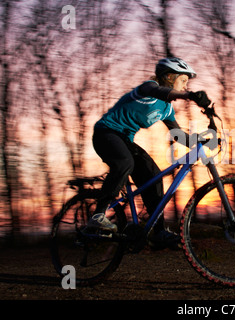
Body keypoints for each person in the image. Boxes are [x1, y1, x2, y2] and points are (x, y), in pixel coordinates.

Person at [86, 57, 211, 249]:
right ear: (169, 77)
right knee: (125, 164)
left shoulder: (167, 109)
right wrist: (189, 96)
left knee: (154, 175)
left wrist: (202, 139)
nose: (186, 86)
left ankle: (159, 232)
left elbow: (178, 136)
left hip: (125, 140)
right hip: (106, 133)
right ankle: (98, 215)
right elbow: (158, 91)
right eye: (183, 80)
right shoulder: (148, 88)